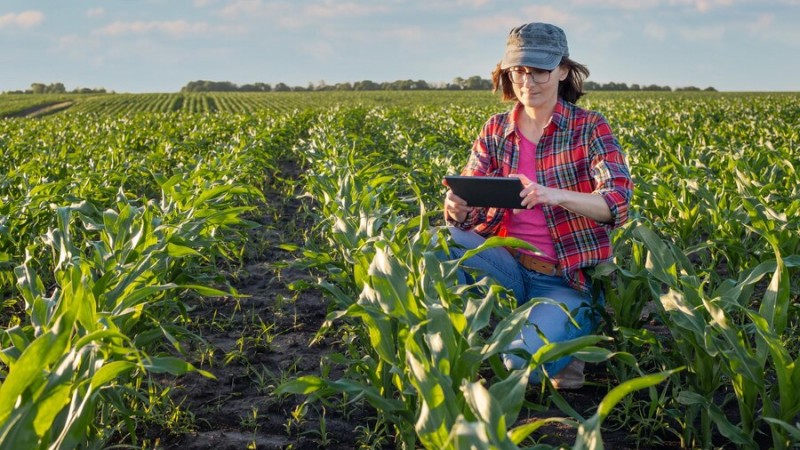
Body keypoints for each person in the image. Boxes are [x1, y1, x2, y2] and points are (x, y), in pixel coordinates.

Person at [443, 22, 633, 388]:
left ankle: (569, 335)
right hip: (506, 266)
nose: (527, 82)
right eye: (519, 71)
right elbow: (470, 205)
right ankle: (467, 340)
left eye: (539, 71)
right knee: (437, 244)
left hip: (564, 280)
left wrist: (554, 194)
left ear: (562, 71)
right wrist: (458, 207)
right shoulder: (495, 129)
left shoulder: (589, 127)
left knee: (516, 365)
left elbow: (617, 202)